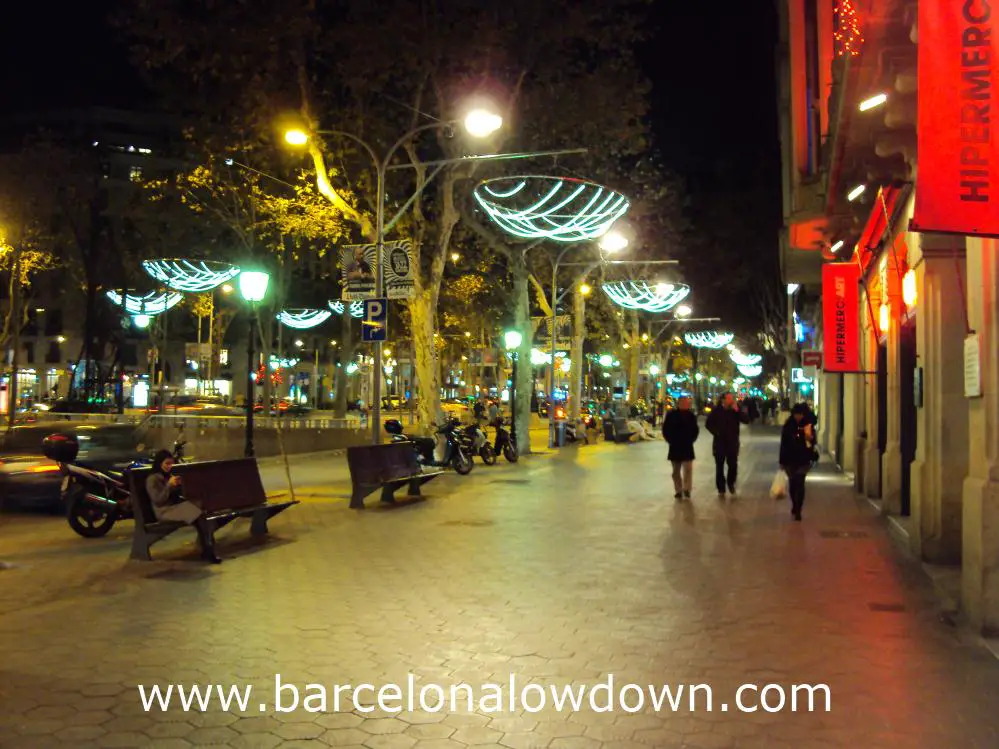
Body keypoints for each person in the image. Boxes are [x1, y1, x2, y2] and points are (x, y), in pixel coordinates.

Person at [145, 449, 221, 563]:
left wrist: (180, 485)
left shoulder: (168, 475)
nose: (169, 466)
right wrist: (169, 486)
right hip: (164, 511)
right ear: (159, 463)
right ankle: (208, 549)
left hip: (175, 508)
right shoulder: (152, 479)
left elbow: (177, 496)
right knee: (199, 513)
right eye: (166, 463)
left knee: (203, 509)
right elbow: (158, 500)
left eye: (171, 463)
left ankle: (207, 547)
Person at [705, 392, 749, 496]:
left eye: (732, 398)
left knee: (733, 465)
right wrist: (716, 433)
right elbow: (708, 424)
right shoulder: (716, 411)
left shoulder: (735, 410)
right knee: (719, 466)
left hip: (732, 443)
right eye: (729, 398)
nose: (731, 400)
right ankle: (721, 488)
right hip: (719, 443)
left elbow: (746, 420)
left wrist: (737, 410)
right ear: (723, 400)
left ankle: (731, 483)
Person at [779, 403, 818, 521]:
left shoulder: (808, 425)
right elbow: (783, 444)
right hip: (790, 459)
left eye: (800, 414)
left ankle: (798, 509)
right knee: (792, 484)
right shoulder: (788, 426)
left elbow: (813, 442)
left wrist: (809, 438)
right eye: (796, 414)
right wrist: (781, 461)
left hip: (804, 458)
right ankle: (794, 504)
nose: (798, 417)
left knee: (800, 483)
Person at [662, 396, 699, 499]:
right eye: (684, 403)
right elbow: (665, 429)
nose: (686, 405)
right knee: (675, 471)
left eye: (687, 403)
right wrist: (670, 440)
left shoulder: (691, 416)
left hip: (687, 446)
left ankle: (687, 489)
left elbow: (695, 430)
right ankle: (678, 490)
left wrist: (691, 439)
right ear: (678, 404)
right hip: (675, 446)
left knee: (688, 470)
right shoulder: (671, 415)